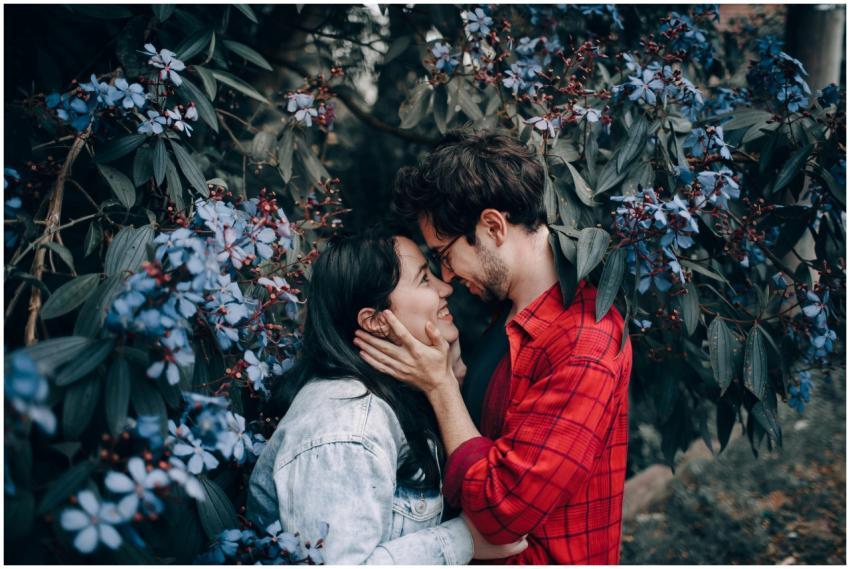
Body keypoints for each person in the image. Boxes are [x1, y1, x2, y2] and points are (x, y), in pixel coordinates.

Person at [353, 129, 634, 564]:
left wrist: (440, 387)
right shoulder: (513, 308)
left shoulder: (583, 342)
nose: (447, 277)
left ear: (492, 227)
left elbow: (506, 512)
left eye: (444, 254)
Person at [247, 230, 527, 564]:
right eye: (424, 279)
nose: (445, 288)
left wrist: (451, 378)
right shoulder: (346, 426)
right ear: (376, 321)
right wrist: (461, 540)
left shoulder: (396, 395)